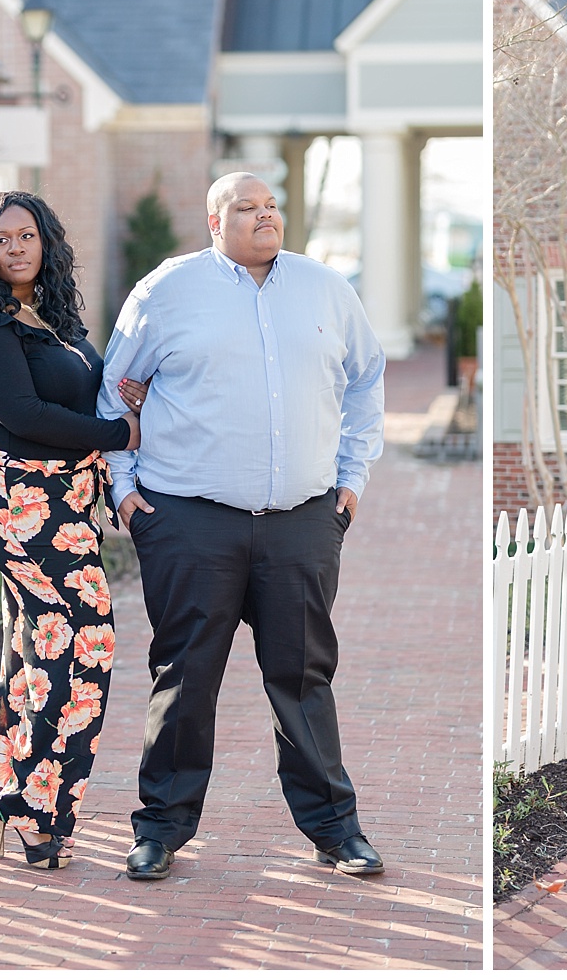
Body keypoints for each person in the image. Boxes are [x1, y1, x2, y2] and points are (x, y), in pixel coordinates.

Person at [98, 172, 386, 882]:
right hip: (189, 523)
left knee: (303, 676)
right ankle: (160, 828)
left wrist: (351, 480)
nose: (266, 215)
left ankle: (334, 829)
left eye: (272, 205)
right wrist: (125, 493)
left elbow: (367, 377)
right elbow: (116, 386)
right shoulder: (166, 292)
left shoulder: (325, 290)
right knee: (185, 678)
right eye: (247, 207)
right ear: (213, 221)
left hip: (302, 523)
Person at [0, 191, 144, 870]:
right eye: (3, 239)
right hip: (13, 494)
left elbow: (79, 395)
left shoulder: (52, 320)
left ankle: (27, 801)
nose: (18, 248)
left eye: (28, 235)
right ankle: (34, 807)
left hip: (62, 496)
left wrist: (122, 408)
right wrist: (118, 431)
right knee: (76, 633)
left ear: (46, 243)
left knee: (46, 639)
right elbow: (24, 413)